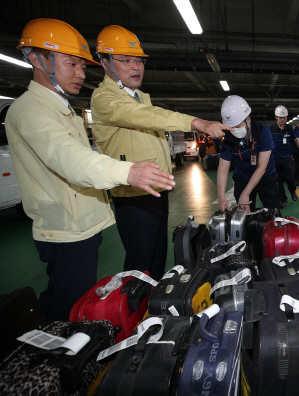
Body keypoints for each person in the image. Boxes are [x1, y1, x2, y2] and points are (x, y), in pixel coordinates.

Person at [6, 18, 175, 322]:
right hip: (64, 228)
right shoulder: (32, 110)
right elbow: (70, 158)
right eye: (71, 64)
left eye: (82, 67)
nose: (80, 73)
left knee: (74, 298)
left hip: (82, 223)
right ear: (37, 60)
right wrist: (129, 172)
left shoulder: (62, 108)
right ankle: (55, 361)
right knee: (68, 307)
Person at [90, 25, 231, 280]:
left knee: (156, 258)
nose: (136, 67)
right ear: (105, 62)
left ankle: (151, 309)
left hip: (155, 191)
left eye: (139, 61)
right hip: (133, 194)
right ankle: (135, 312)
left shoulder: (141, 97)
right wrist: (197, 122)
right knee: (139, 264)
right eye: (125, 60)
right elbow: (147, 118)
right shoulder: (104, 99)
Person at [215, 95, 281, 212]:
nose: (234, 130)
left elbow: (262, 167)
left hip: (265, 177)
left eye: (238, 126)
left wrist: (246, 193)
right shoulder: (229, 138)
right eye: (231, 127)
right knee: (244, 216)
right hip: (243, 178)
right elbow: (223, 169)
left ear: (248, 120)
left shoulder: (262, 132)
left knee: (273, 214)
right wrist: (221, 197)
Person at [270, 105, 299, 207]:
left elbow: (296, 140)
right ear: (276, 117)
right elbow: (266, 142)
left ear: (286, 118)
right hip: (275, 159)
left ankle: (292, 191)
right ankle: (283, 199)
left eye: (284, 118)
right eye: (280, 118)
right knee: (278, 181)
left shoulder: (289, 129)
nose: (282, 120)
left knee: (290, 179)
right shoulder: (271, 129)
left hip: (286, 159)